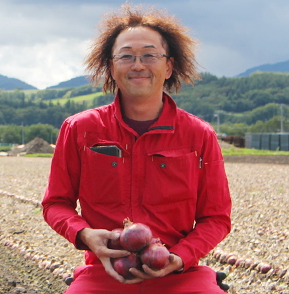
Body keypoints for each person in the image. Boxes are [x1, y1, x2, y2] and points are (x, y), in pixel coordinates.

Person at [42, 3, 232, 294]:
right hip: (105, 270)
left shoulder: (199, 135)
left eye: (149, 55)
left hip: (180, 274)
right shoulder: (79, 129)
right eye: (126, 56)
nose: (138, 65)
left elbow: (216, 218)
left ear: (168, 66)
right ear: (111, 67)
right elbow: (55, 203)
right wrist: (84, 234)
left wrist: (180, 257)